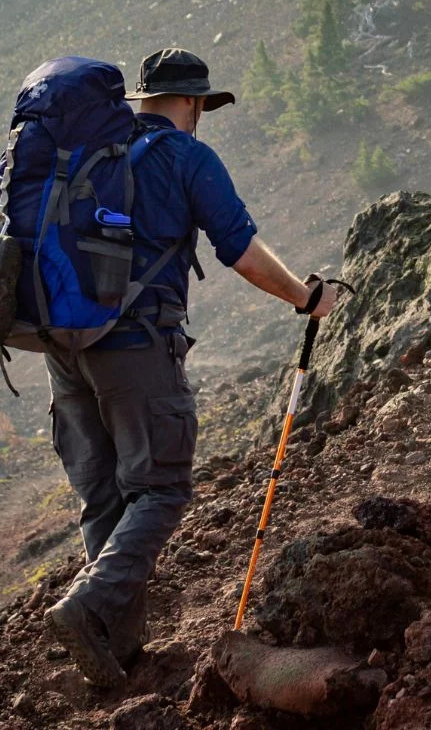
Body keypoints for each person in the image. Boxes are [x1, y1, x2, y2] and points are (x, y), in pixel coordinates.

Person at [39, 47, 337, 688]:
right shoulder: (186, 157)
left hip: (63, 349)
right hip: (136, 345)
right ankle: (89, 607)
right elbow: (242, 250)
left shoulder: (89, 153)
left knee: (106, 496)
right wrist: (307, 297)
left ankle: (115, 652)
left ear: (142, 98)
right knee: (162, 489)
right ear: (196, 103)